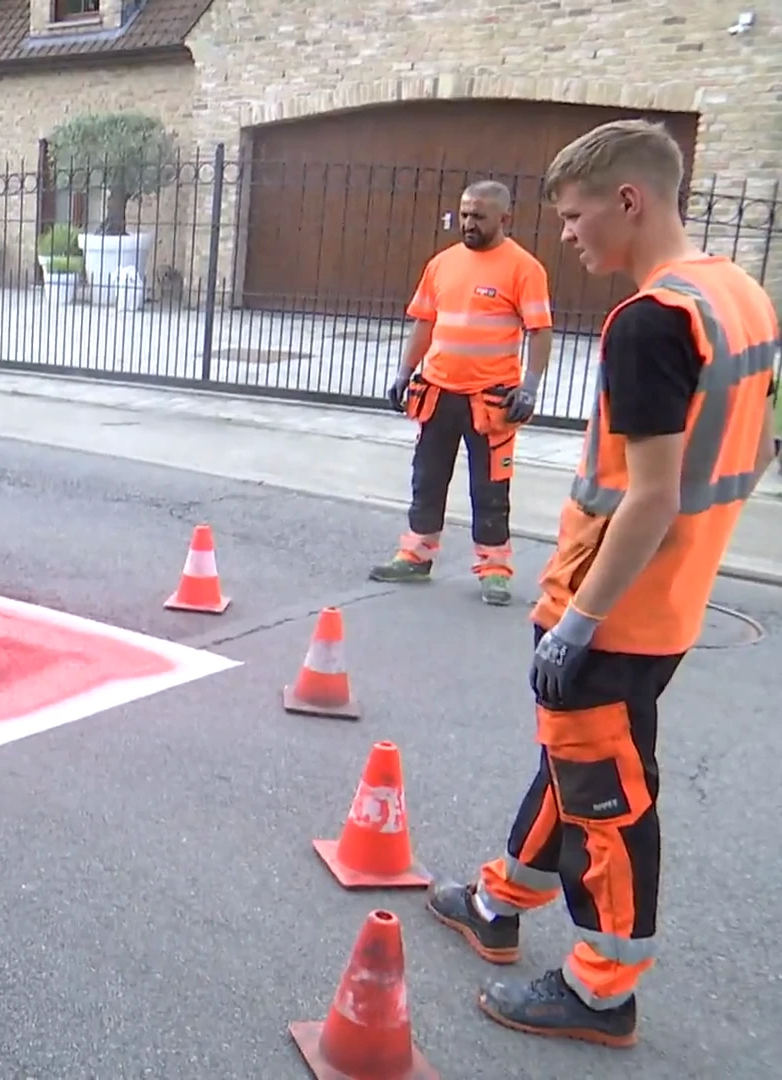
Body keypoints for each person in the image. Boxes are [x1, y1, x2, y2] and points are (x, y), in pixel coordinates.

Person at [426, 119, 777, 1048]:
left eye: (577, 217)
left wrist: (577, 622)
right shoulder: (740, 296)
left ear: (631, 200)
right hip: (670, 601)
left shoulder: (650, 320)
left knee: (609, 802)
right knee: (574, 764)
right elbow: (760, 446)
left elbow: (651, 496)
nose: (568, 235)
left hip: (616, 608)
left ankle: (601, 990)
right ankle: (500, 902)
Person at [371, 180, 555, 605]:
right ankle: (415, 557)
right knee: (427, 479)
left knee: (490, 488)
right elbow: (424, 322)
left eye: (479, 216)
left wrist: (529, 387)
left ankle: (495, 570)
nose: (469, 223)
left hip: (491, 401)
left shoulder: (524, 268)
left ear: (504, 218)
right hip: (437, 392)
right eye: (465, 214)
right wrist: (405, 372)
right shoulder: (442, 264)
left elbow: (540, 331)